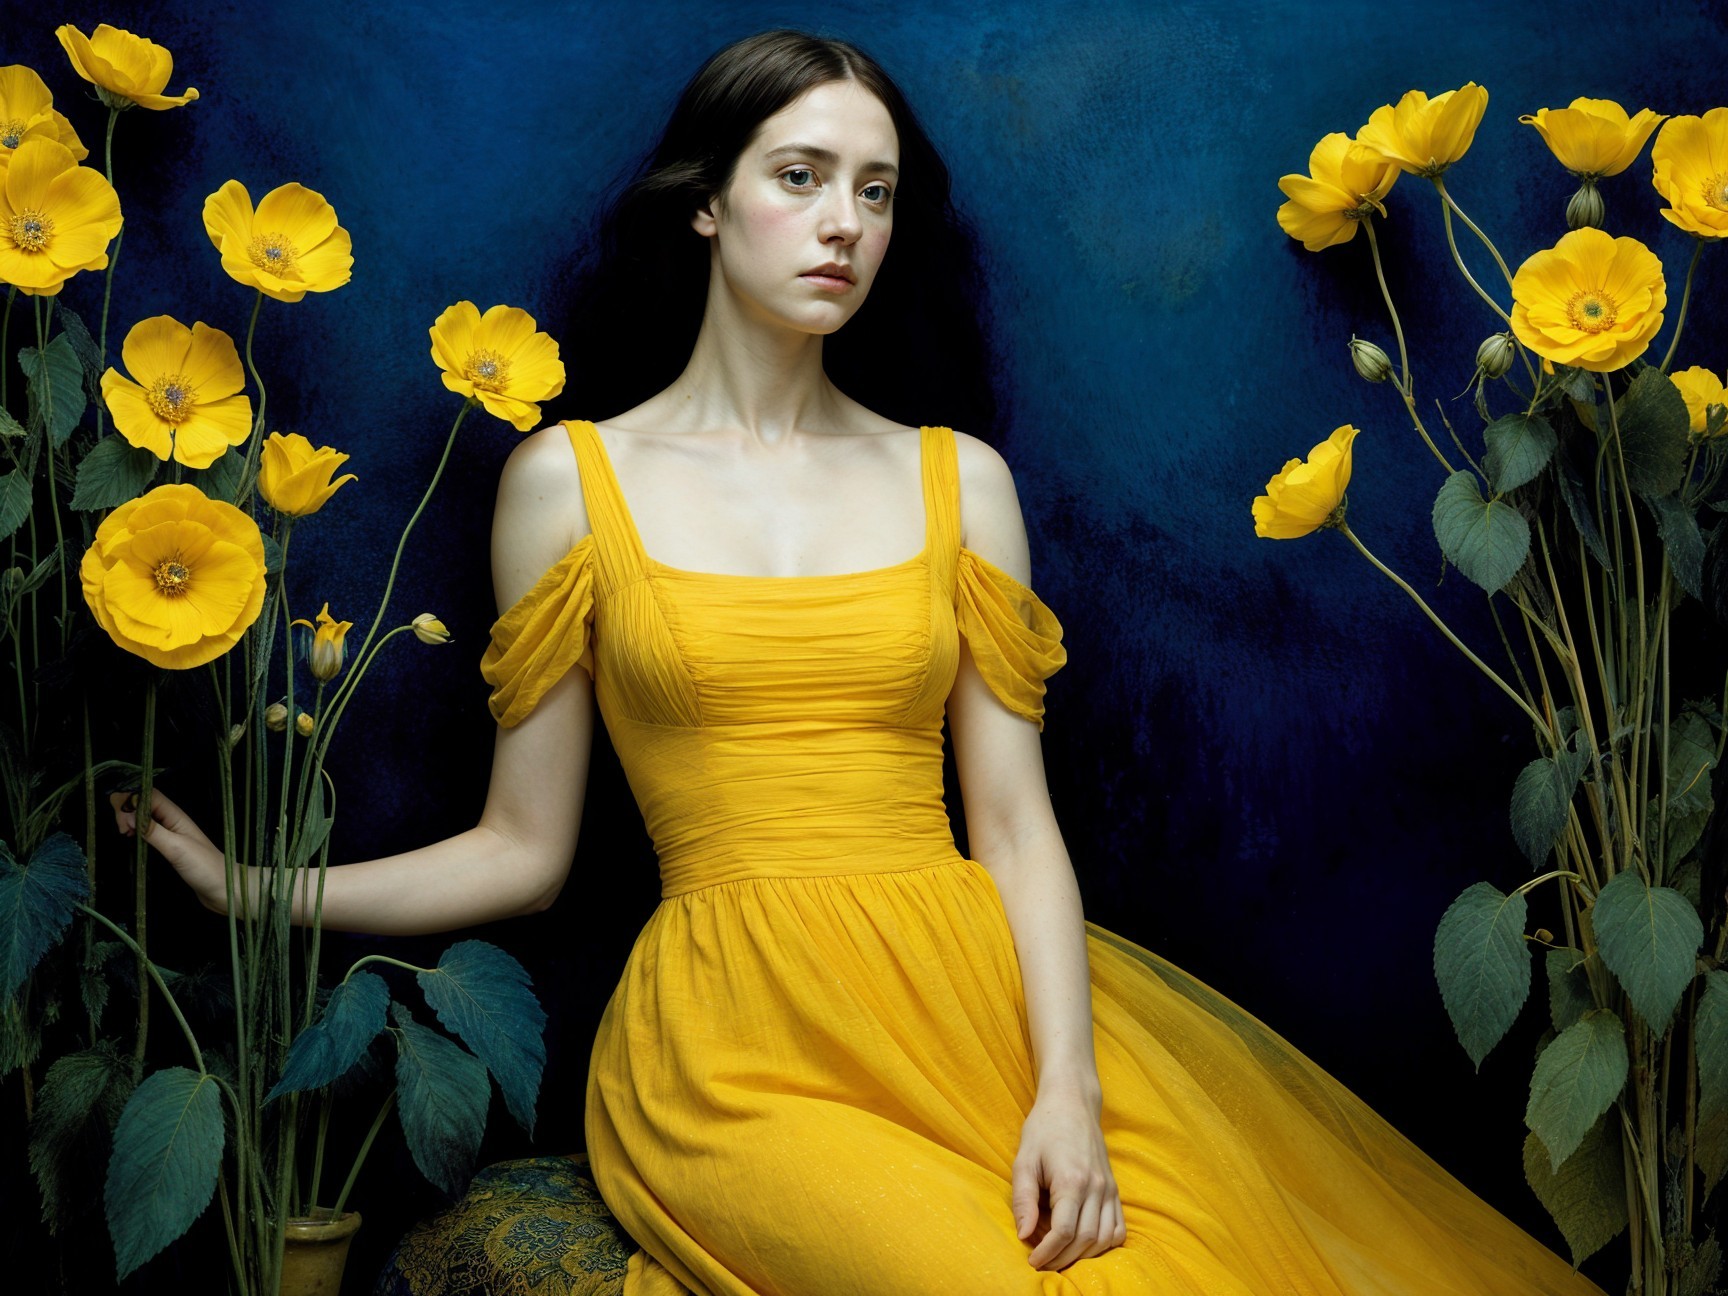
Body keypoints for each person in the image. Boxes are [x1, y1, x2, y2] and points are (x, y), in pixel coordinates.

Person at [115, 29, 1614, 1296]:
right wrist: (257, 891)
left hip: (975, 997)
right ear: (707, 203)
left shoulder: (961, 483)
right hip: (732, 1048)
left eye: (876, 191)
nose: (844, 223)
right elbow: (526, 848)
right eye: (801, 176)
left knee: (1207, 1265)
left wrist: (1068, 1094)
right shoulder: (569, 484)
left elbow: (1014, 826)